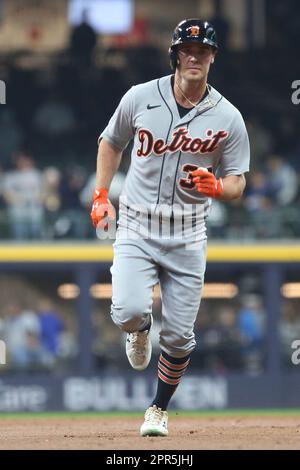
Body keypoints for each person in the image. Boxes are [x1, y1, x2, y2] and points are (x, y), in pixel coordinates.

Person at [91, 19, 250, 436]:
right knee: (127, 311)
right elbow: (111, 142)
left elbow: (238, 181)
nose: (194, 56)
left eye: (203, 50)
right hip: (138, 225)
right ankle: (140, 330)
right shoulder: (141, 97)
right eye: (187, 49)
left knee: (179, 338)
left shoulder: (229, 117)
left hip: (188, 232)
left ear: (213, 57)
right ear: (175, 55)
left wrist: (217, 186)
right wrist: (101, 195)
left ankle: (157, 409)